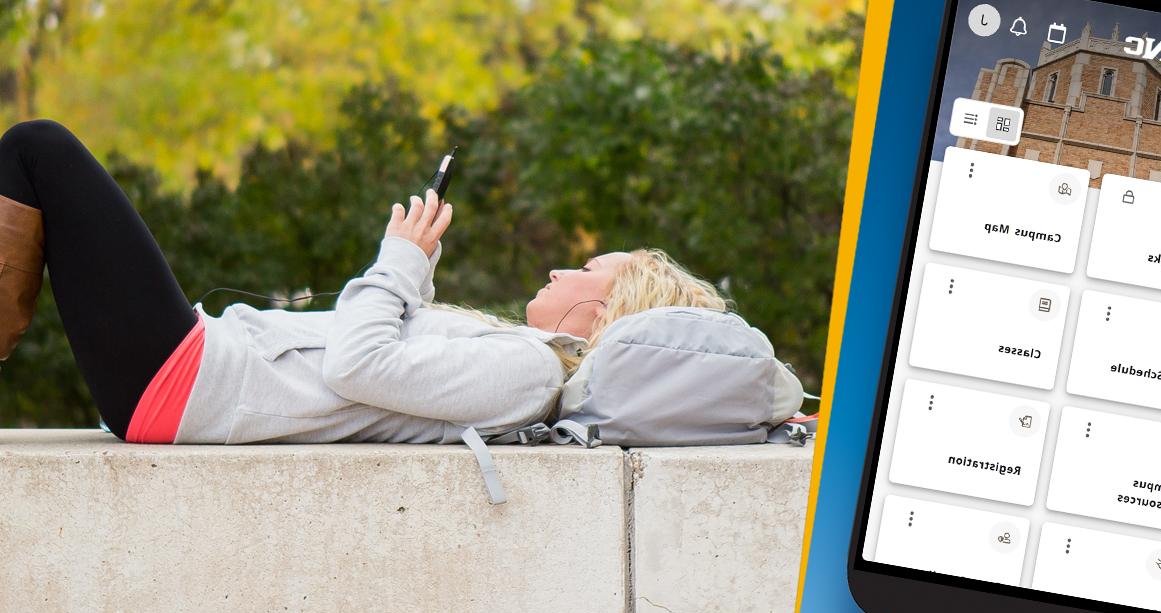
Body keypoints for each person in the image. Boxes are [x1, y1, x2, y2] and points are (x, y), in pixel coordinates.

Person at [0, 120, 728, 445]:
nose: (561, 267)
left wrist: (398, 262)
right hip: (194, 374)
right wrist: (416, 273)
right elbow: (394, 371)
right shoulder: (516, 358)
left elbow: (357, 364)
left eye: (583, 269)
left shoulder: (531, 371)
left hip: (191, 382)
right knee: (37, 152)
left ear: (600, 311)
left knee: (39, 149)